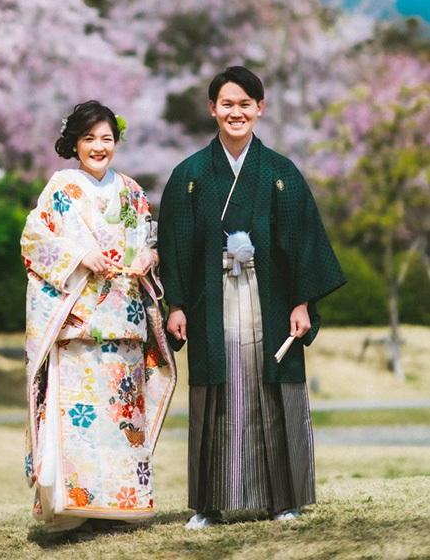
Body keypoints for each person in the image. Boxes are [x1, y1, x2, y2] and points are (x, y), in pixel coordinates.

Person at [158, 66, 346, 528]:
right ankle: (209, 504)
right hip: (210, 300)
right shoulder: (191, 175)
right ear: (212, 109)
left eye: (246, 104)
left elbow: (303, 242)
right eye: (227, 104)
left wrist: (302, 302)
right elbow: (175, 242)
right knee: (214, 395)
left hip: (272, 300)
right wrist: (176, 304)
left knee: (273, 390)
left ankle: (283, 498)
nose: (236, 112)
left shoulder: (280, 172)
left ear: (260, 108)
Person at [21, 100, 176, 533]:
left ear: (116, 142)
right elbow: (34, 240)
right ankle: (76, 510)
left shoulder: (131, 190)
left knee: (121, 419)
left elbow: (150, 235)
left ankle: (121, 506)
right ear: (74, 143)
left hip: (124, 322)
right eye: (89, 139)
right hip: (78, 325)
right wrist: (80, 255)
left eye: (106, 138)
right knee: (80, 424)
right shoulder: (60, 188)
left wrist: (149, 254)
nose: (98, 147)